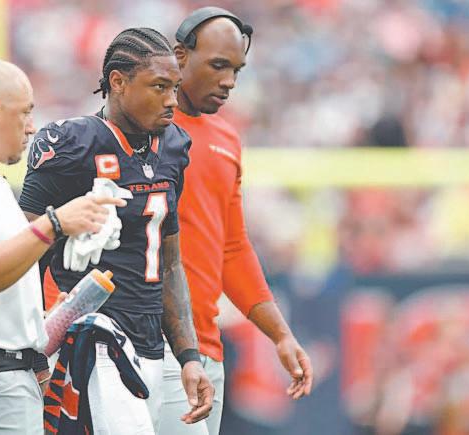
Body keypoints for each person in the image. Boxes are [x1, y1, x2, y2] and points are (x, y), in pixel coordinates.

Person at [19, 28, 213, 434]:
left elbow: (169, 264)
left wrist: (189, 355)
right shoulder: (69, 143)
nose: (172, 100)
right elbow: (24, 258)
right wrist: (32, 352)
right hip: (96, 339)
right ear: (118, 82)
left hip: (155, 342)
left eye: (175, 87)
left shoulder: (173, 145)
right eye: (159, 86)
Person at [0, 59, 125, 434]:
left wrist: (38, 321)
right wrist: (54, 224)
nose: (32, 126)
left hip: (3, 380)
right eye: (25, 113)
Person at [159, 8, 314, 435]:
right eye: (218, 65)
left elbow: (231, 247)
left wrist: (280, 334)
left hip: (206, 348)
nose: (229, 81)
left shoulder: (226, 138)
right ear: (180, 56)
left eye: (236, 69)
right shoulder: (138, 131)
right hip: (149, 347)